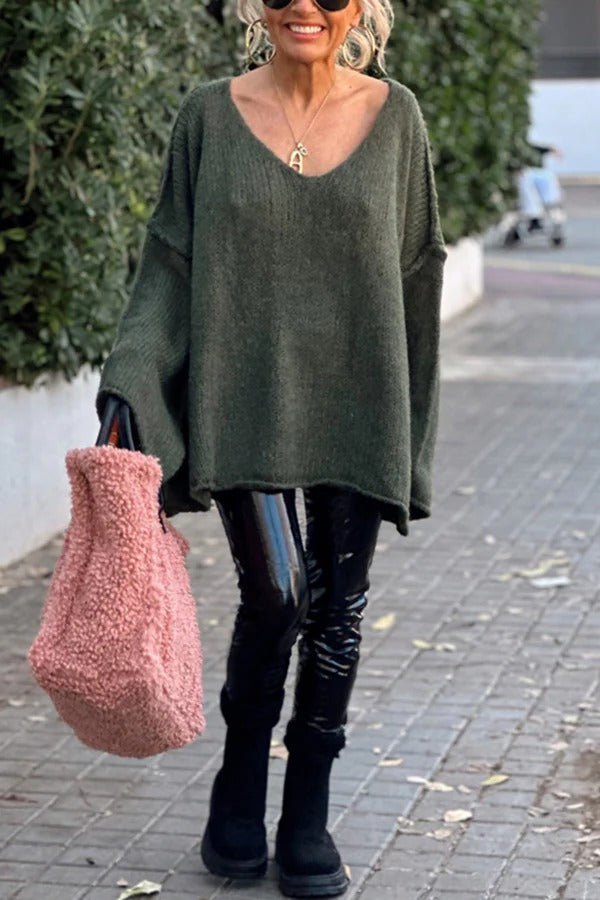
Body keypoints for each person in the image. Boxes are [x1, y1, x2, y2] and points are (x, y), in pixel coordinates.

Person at [96, 0, 447, 895]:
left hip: (361, 400)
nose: (306, 7)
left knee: (339, 612)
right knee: (278, 594)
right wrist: (130, 379)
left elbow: (418, 274)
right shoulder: (208, 116)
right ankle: (240, 780)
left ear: (358, 7)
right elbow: (169, 263)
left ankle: (307, 815)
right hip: (243, 398)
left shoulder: (396, 117)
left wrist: (412, 438)